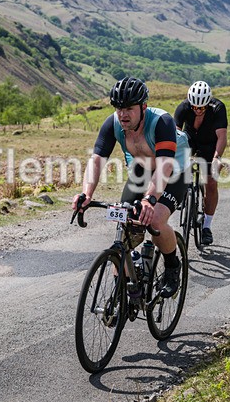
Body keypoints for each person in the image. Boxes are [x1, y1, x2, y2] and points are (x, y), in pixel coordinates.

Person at [73, 77, 190, 298]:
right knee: (124, 223)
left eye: (129, 108)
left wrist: (150, 199)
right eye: (119, 108)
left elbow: (164, 166)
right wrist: (86, 193)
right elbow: (97, 158)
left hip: (174, 171)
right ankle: (123, 285)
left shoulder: (162, 122)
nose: (123, 114)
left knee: (154, 219)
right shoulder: (113, 123)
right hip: (141, 170)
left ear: (143, 107)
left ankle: (173, 266)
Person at [173, 80, 228, 246]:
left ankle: (206, 227)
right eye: (194, 107)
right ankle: (183, 192)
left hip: (209, 145)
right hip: (188, 142)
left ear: (208, 103)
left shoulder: (217, 108)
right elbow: (174, 135)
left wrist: (217, 158)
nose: (197, 110)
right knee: (177, 168)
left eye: (202, 107)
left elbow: (222, 137)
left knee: (211, 182)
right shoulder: (183, 108)